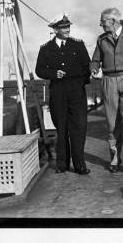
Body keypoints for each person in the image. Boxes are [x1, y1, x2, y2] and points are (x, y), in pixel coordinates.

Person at [90, 7, 123, 175]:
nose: (101, 24)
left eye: (103, 21)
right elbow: (96, 59)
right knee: (113, 124)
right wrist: (94, 67)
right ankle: (115, 159)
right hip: (109, 82)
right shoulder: (102, 39)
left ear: (114, 21)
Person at [35, 14, 91, 175]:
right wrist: (54, 73)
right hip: (58, 93)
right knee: (61, 128)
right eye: (63, 27)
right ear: (55, 29)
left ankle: (80, 165)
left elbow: (86, 68)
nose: (67, 30)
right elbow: (39, 70)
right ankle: (62, 165)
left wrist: (78, 82)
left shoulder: (78, 45)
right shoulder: (46, 48)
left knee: (79, 128)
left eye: (68, 27)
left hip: (76, 93)